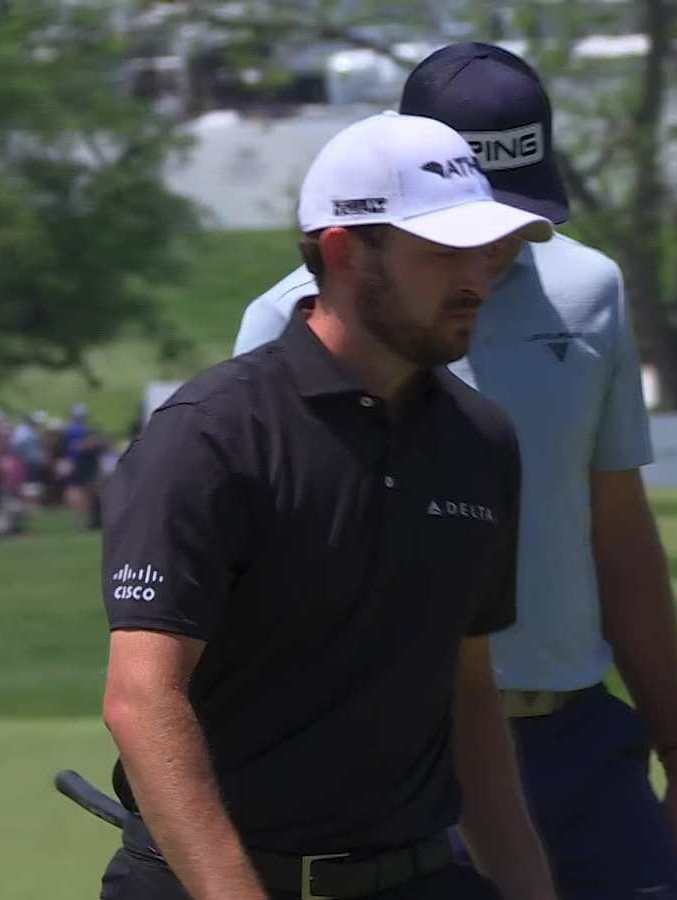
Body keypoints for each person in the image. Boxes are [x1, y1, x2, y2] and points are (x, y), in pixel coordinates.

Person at [234, 43, 677, 900]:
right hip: (398, 762)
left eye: (517, 215)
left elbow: (619, 533)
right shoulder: (291, 322)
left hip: (580, 744)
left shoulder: (592, 293)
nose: (492, 248)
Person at [98, 112, 559, 900]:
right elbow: (142, 698)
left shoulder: (482, 441)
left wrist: (525, 885)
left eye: (485, 250)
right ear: (346, 251)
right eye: (445, 251)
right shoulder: (213, 435)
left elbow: (468, 686)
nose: (478, 278)